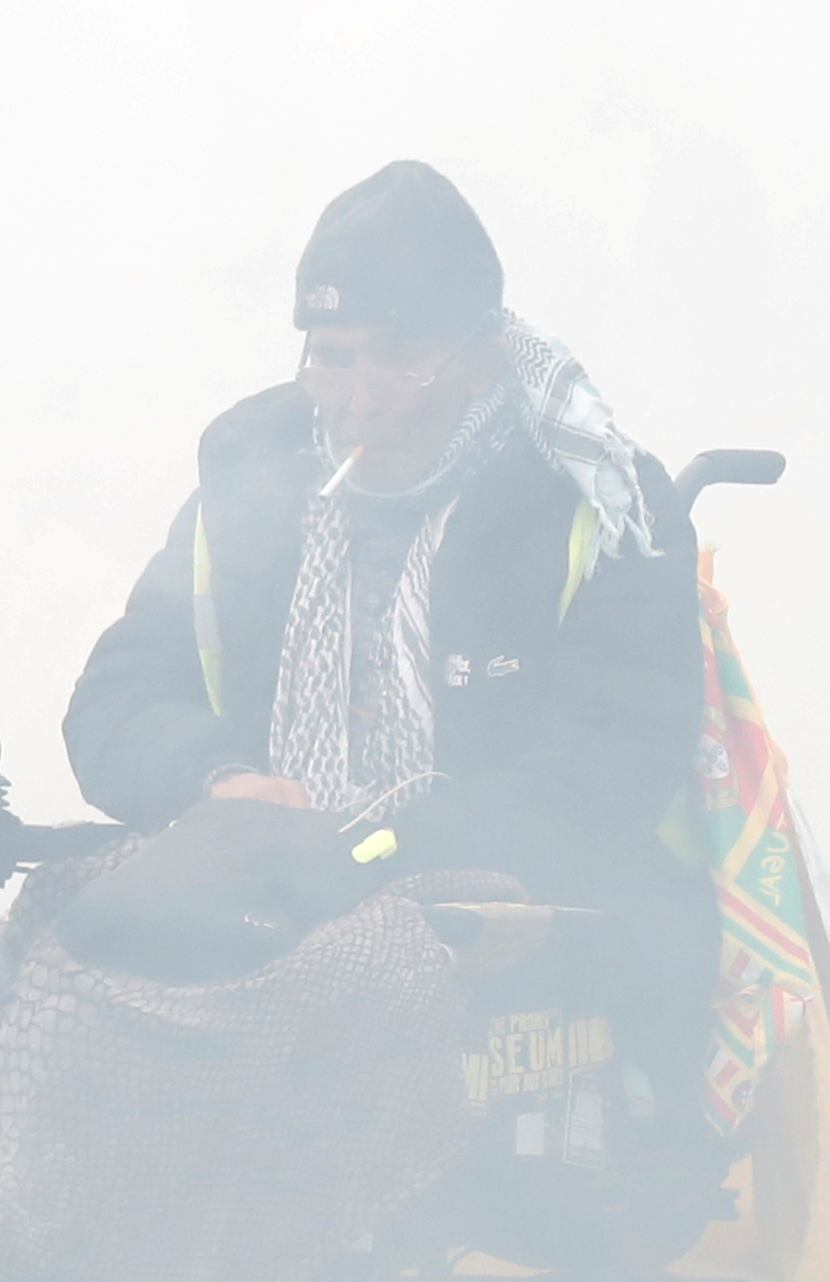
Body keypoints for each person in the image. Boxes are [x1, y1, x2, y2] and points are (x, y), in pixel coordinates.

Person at [63, 158, 717, 1173]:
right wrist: (219, 781)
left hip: (540, 934)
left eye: (400, 357)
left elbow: (604, 771)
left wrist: (363, 853)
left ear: (483, 353)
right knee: (67, 953)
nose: (361, 399)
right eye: (332, 358)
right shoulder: (253, 494)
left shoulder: (598, 504)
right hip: (276, 894)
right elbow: (118, 697)